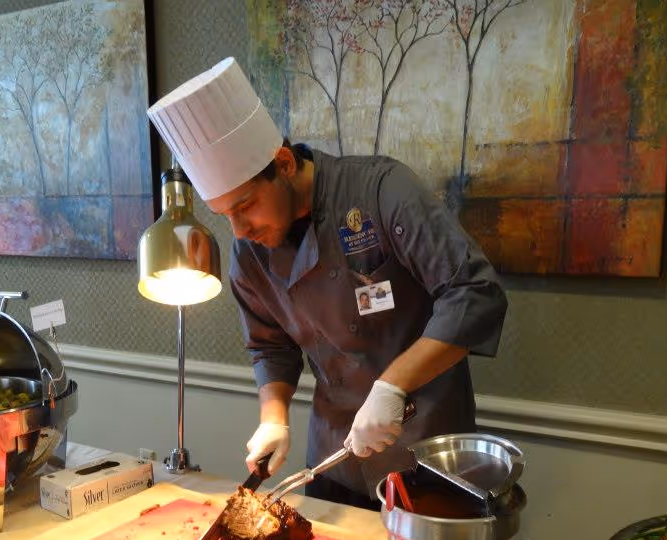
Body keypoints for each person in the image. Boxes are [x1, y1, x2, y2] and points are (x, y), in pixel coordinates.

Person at [148, 57, 507, 509]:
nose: (238, 230)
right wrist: (273, 417)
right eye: (225, 216)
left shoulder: (381, 191)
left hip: (425, 449)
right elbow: (270, 345)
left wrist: (392, 385)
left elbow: (475, 294)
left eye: (245, 207)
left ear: (282, 163)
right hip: (334, 455)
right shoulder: (250, 251)